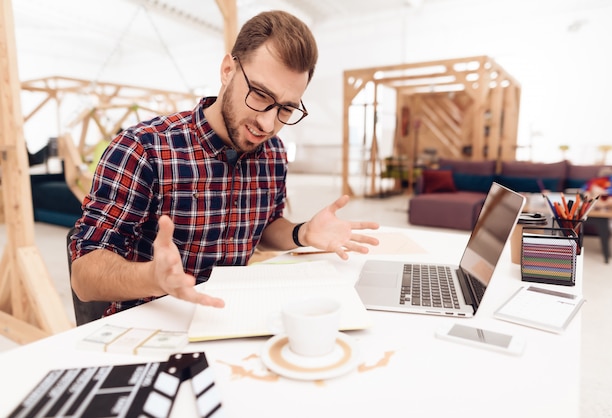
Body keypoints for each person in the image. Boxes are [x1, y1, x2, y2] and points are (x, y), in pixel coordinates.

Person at [69, 10, 380, 317]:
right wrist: (152, 278)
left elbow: (266, 225)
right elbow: (84, 276)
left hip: (232, 317)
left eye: (286, 109)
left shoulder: (273, 152)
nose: (268, 123)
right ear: (228, 70)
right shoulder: (143, 148)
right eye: (260, 95)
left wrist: (302, 233)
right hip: (153, 322)